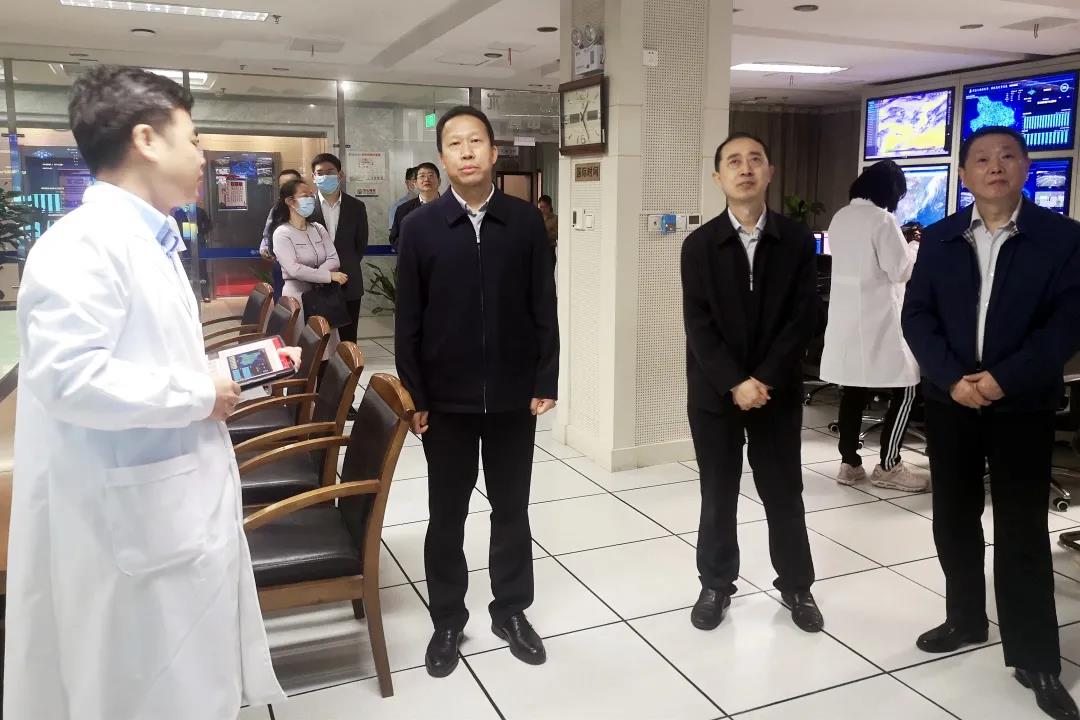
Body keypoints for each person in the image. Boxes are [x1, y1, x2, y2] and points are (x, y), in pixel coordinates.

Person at [6, 65, 285, 720]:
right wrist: (199, 392)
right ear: (146, 140)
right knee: (147, 688)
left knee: (186, 677)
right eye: (194, 138)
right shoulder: (84, 245)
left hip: (163, 510)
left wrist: (212, 375)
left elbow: (141, 357)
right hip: (133, 531)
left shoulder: (147, 240)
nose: (203, 156)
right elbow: (72, 377)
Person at [903, 126, 1080, 720]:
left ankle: (1035, 657)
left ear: (1025, 167)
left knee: (1022, 529)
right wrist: (953, 377)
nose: (994, 166)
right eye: (981, 159)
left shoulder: (1062, 238)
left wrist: (1005, 378)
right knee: (953, 517)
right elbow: (917, 315)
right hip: (951, 401)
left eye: (1007, 156)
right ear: (964, 174)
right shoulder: (941, 237)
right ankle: (964, 618)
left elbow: (1067, 323)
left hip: (1022, 404)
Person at [395, 105, 559, 678]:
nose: (466, 152)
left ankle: (510, 610)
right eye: (454, 144)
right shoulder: (420, 227)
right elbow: (408, 320)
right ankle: (447, 618)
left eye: (476, 142)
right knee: (447, 515)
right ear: (442, 158)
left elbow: (543, 305)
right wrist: (415, 396)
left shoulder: (524, 221)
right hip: (445, 402)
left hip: (514, 396)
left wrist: (545, 378)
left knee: (512, 510)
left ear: (493, 152)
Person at [681, 132, 822, 635]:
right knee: (718, 492)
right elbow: (698, 325)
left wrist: (762, 378)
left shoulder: (797, 241)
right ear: (718, 177)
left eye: (755, 160)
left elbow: (803, 318)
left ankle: (797, 584)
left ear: (770, 172)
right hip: (715, 393)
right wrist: (734, 382)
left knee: (784, 491)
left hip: (776, 392)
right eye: (734, 162)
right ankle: (716, 584)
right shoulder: (700, 245)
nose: (745, 169)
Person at [819, 160, 927, 492]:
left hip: (847, 321)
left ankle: (849, 464)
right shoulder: (882, 219)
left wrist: (899, 240)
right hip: (879, 320)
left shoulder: (841, 216)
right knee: (908, 387)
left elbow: (864, 256)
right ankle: (889, 466)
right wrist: (914, 244)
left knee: (853, 389)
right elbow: (900, 270)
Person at [270, 177, 347, 359]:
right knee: (304, 351)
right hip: (298, 297)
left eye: (311, 195)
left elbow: (333, 258)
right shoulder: (282, 233)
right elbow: (294, 269)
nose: (311, 199)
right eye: (305, 195)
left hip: (322, 296)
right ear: (290, 201)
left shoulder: (318, 228)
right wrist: (328, 276)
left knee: (327, 349)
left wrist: (320, 275)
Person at [309, 153, 368, 345]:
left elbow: (360, 245)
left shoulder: (356, 207)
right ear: (313, 177)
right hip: (315, 284)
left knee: (348, 340)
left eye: (330, 172)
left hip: (349, 282)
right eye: (320, 173)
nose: (325, 176)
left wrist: (344, 265)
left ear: (340, 175)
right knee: (318, 340)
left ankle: (348, 366)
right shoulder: (306, 207)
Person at [259, 167, 303, 300]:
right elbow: (268, 232)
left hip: (306, 266)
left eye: (291, 184)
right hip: (281, 265)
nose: (287, 188)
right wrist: (264, 248)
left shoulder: (309, 206)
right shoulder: (277, 209)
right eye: (283, 185)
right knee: (282, 303)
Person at [389, 161, 440, 249]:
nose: (426, 179)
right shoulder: (403, 210)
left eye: (431, 175)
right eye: (422, 176)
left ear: (439, 181)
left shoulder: (451, 207)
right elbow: (395, 239)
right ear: (415, 183)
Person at [388, 165, 418, 230]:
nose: (419, 183)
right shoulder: (396, 207)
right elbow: (394, 234)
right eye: (415, 180)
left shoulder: (430, 204)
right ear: (407, 183)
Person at [537, 194, 558, 265]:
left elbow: (557, 234)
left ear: (549, 206)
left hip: (549, 250)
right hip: (538, 250)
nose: (542, 210)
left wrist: (545, 234)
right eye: (541, 207)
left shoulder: (555, 219)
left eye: (545, 207)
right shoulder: (537, 218)